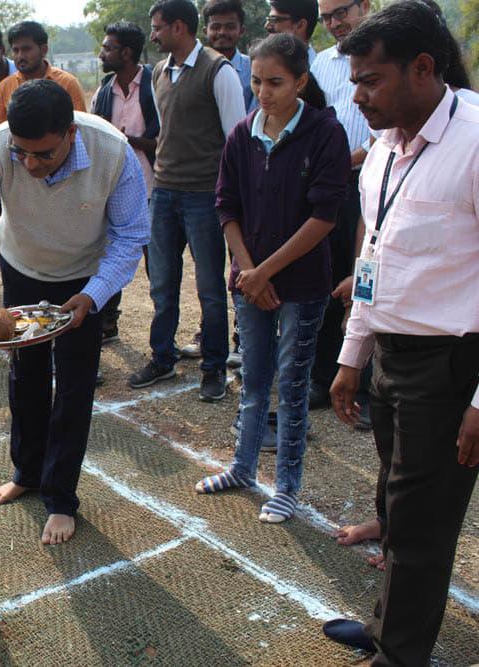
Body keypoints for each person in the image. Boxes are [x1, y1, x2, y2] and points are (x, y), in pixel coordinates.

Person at [0, 80, 150, 544]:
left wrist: (95, 294)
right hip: (23, 266)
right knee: (24, 375)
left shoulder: (113, 152)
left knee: (75, 383)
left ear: (70, 133)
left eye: (44, 154)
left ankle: (61, 498)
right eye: (22, 153)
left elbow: (130, 237)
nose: (30, 165)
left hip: (84, 279)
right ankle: (27, 473)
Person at [321, 3, 479, 660]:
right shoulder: (384, 149)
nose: (357, 96)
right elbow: (373, 258)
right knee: (396, 499)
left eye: (370, 80)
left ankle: (399, 652)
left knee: (420, 528)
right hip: (390, 356)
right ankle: (389, 626)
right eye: (353, 80)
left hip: (449, 368)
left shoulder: (473, 141)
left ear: (423, 68)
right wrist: (353, 354)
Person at [195, 33, 349, 523]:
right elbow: (227, 205)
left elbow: (324, 217)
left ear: (301, 81)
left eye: (276, 82)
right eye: (257, 81)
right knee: (254, 380)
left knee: (293, 386)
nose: (264, 91)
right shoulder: (243, 134)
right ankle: (243, 467)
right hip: (250, 282)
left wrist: (263, 272)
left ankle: (286, 486)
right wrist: (245, 269)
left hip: (300, 287)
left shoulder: (325, 132)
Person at [126, 0, 246, 401]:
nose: (154, 35)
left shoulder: (219, 71)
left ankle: (214, 368)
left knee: (211, 287)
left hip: (204, 195)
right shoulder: (161, 71)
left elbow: (236, 141)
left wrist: (230, 199)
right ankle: (162, 358)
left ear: (179, 27)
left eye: (158, 28)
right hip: (163, 193)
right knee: (162, 283)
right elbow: (169, 130)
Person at [306, 0, 373, 415]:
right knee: (329, 282)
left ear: (366, 4)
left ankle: (366, 388)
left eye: (341, 12)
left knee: (365, 281)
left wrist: (343, 161)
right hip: (332, 187)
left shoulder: (384, 54)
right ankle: (325, 378)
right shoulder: (322, 63)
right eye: (327, 17)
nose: (335, 23)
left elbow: (384, 134)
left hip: (373, 183)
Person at [91, 20, 160, 345]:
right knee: (109, 259)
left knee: (158, 270)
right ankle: (107, 323)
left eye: (108, 48)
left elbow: (165, 140)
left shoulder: (154, 85)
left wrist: (127, 140)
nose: (103, 53)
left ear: (127, 52)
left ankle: (164, 340)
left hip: (153, 190)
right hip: (113, 192)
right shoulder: (105, 90)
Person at [0, 21, 86, 134]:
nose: (20, 56)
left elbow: (80, 128)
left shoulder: (67, 83)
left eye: (26, 49)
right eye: (16, 50)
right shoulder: (5, 87)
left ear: (44, 50)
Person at [202, 0, 255, 111]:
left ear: (241, 30)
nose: (222, 32)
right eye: (216, 27)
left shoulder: (253, 68)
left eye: (230, 27)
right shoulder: (195, 69)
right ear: (205, 31)